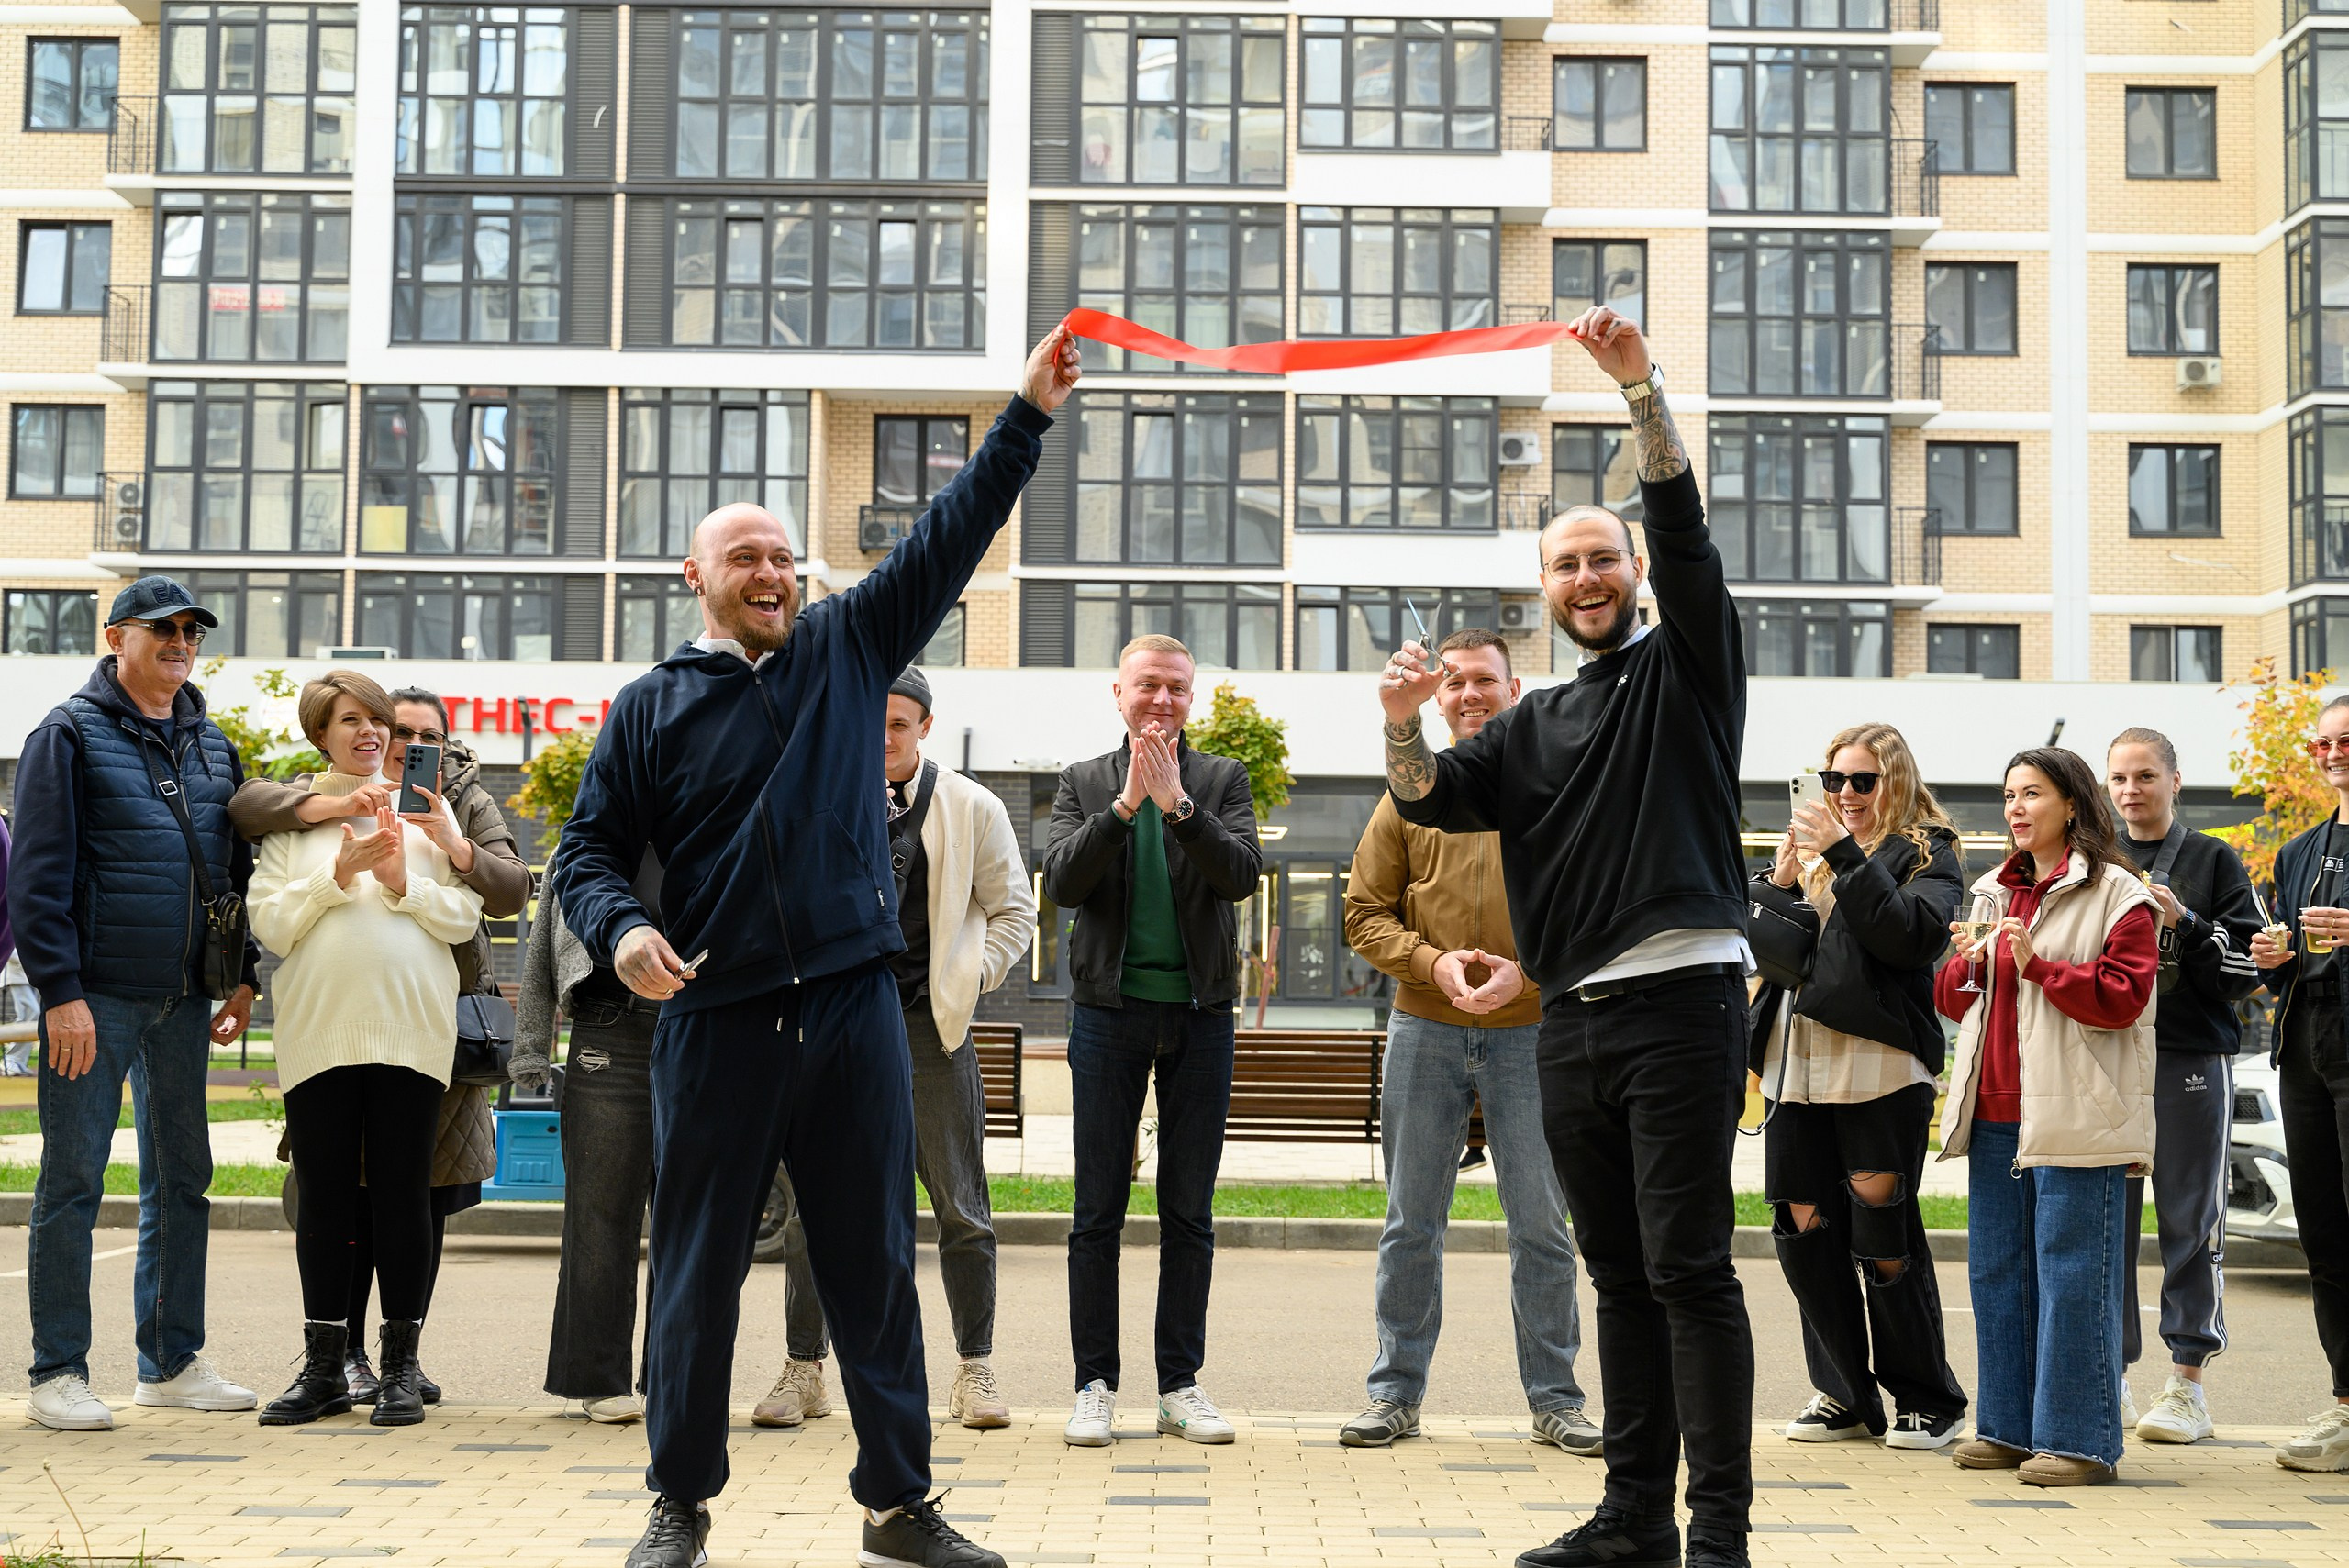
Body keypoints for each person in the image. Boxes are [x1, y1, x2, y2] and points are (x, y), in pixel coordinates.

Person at [547, 329, 1077, 1568]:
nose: (773, 571)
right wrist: (624, 930)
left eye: (785, 556)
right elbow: (583, 856)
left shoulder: (848, 649)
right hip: (715, 1017)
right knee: (693, 1271)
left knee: (872, 1263)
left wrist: (1024, 415)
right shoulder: (650, 707)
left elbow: (949, 534)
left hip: (849, 1008)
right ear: (695, 575)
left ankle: (898, 1504)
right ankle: (679, 1502)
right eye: (747, 556)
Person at [1378, 307, 1756, 1568]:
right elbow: (1427, 797)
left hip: (1684, 1004)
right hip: (1571, 1023)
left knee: (1690, 1269)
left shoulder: (1688, 669)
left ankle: (1718, 1533)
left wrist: (1641, 391)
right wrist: (1401, 720)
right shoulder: (1527, 726)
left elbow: (1684, 527)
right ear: (1543, 591)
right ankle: (1634, 1516)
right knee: (1620, 1274)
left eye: (1603, 558)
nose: (1586, 578)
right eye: (1564, 566)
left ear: (1633, 571)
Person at [229, 685, 529, 1406]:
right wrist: (338, 874)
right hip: (317, 1033)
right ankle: (325, 1369)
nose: (374, 734)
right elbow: (270, 924)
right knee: (325, 1201)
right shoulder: (297, 817)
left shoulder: (434, 813)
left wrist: (402, 882)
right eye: (354, 721)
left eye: (379, 721)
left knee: (404, 1197)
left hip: (414, 1033)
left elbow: (464, 918)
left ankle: (399, 1368)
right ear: (322, 733)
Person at [754, 666, 1035, 1433]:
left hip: (930, 1031)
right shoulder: (816, 796)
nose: (882, 737)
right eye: (871, 721)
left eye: (898, 724)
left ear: (924, 728)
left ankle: (974, 1370)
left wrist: (967, 977)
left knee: (962, 1207)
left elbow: (1015, 911)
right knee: (814, 1209)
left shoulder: (972, 805)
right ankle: (805, 1368)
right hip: (836, 1029)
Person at [9, 575, 260, 1430]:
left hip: (184, 999)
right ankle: (57, 1371)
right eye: (164, 628)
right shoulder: (67, 734)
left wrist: (244, 975)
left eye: (192, 631)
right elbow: (36, 878)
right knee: (73, 1179)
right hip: (96, 999)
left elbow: (233, 873)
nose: (181, 642)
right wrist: (60, 992)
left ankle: (171, 1361)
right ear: (116, 637)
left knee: (184, 1180)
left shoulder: (214, 744)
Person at [1339, 628, 1598, 1456]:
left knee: (1543, 1226)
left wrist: (1531, 974)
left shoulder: (1557, 794)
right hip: (1426, 1025)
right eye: (1452, 682)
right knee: (1410, 1222)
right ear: (1436, 697)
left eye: (1484, 679)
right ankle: (1394, 1393)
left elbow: (1592, 912)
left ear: (1514, 690)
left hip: (1533, 1031)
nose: (1469, 694)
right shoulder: (1408, 796)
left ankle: (1556, 1400)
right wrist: (1433, 961)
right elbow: (1362, 912)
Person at [1041, 634, 1263, 1450]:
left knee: (1188, 1210)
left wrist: (1178, 806)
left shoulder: (1222, 779)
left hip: (1201, 1016)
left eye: (1176, 687)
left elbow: (1241, 875)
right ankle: (1093, 1383)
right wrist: (1126, 805)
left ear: (1190, 697)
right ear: (1119, 692)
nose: (1162, 699)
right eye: (1148, 685)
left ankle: (1179, 1385)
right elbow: (1063, 883)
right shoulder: (1082, 781)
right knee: (1096, 1209)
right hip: (1108, 1015)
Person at [1935, 747, 2156, 1486]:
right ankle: (2007, 1427)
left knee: (2072, 1278)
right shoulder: (1991, 890)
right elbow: (1949, 997)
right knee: (1998, 1274)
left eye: (2032, 793)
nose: (2016, 808)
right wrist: (1967, 964)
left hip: (2080, 1113)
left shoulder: (2119, 892)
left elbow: (2123, 996)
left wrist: (2038, 966)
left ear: (2071, 802)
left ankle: (2081, 1442)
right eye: (2009, 796)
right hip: (1996, 1109)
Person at [1757, 724, 1968, 1451]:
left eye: (1862, 780)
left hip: (1878, 1065)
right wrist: (1781, 883)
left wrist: (1845, 856)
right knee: (1802, 1225)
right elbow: (1762, 948)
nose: (1844, 793)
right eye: (1833, 779)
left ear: (1895, 781)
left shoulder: (1928, 852)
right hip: (1796, 1061)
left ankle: (1927, 1396)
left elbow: (1907, 937)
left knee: (1883, 1235)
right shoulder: (1812, 855)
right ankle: (1844, 1391)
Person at [2106, 727, 2262, 1444]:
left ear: (2174, 780)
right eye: (2119, 778)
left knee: (2189, 1222)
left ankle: (2187, 1384)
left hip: (2190, 1059)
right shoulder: (2095, 857)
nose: (2130, 790)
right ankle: (2107, 1373)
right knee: (2104, 1223)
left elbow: (2248, 972)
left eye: (2145, 775)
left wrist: (2189, 923)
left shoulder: (2213, 858)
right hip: (2108, 1061)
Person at [519, 872, 662, 1426]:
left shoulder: (714, 828)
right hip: (606, 1026)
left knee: (691, 1218)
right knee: (598, 1217)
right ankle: (598, 1379)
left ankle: (675, 1375)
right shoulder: (586, 843)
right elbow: (541, 955)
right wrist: (532, 1047)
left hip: (701, 1025)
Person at [2249, 693, 2349, 1473]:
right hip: (2308, 1049)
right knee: (2324, 1234)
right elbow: (2290, 963)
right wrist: (2275, 961)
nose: (2333, 753)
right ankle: (2347, 1400)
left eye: (2346, 740)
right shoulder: (2299, 849)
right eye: (2323, 743)